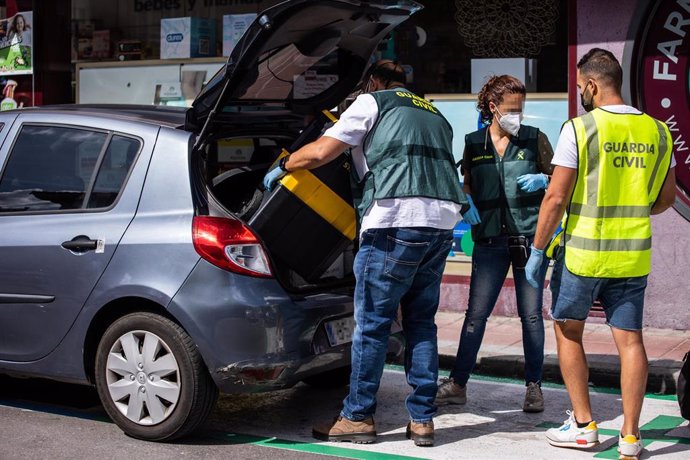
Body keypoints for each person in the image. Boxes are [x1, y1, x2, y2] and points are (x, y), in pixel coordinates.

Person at [263, 60, 465, 447]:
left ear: (373, 81)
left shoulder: (372, 103)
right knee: (421, 322)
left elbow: (322, 151)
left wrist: (285, 163)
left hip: (394, 220)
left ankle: (356, 416)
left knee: (372, 323)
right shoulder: (434, 113)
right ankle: (422, 420)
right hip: (441, 225)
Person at [524, 48, 676, 459]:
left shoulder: (579, 129)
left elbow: (555, 197)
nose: (580, 94)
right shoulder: (659, 132)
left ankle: (585, 426)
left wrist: (537, 251)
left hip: (583, 255)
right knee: (630, 342)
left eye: (579, 87)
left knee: (567, 329)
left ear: (591, 84)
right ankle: (630, 437)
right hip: (631, 256)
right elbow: (665, 199)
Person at [435, 75, 553, 413]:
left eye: (521, 109)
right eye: (512, 109)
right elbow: (467, 183)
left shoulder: (534, 139)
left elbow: (561, 178)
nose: (519, 115)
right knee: (475, 316)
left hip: (528, 239)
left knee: (531, 316)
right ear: (493, 108)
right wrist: (465, 200)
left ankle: (534, 387)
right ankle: (458, 384)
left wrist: (543, 179)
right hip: (488, 241)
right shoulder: (474, 143)